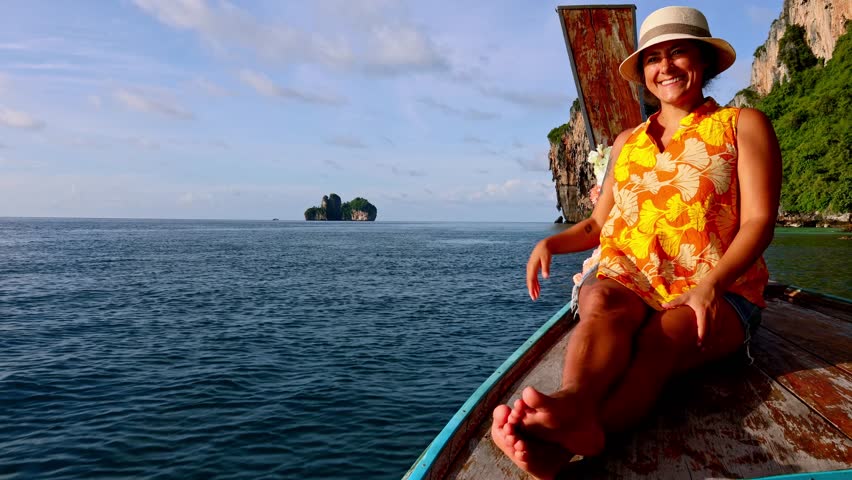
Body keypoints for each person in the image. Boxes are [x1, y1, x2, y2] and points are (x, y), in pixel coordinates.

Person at [490, 6, 782, 479]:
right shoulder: (629, 141)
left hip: (719, 290)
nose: (664, 67)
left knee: (657, 341)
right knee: (601, 297)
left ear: (704, 61)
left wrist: (711, 285)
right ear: (644, 72)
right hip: (633, 280)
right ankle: (571, 405)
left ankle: (569, 443)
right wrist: (551, 243)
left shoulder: (742, 125)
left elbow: (760, 221)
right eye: (653, 58)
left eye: (678, 53)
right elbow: (598, 224)